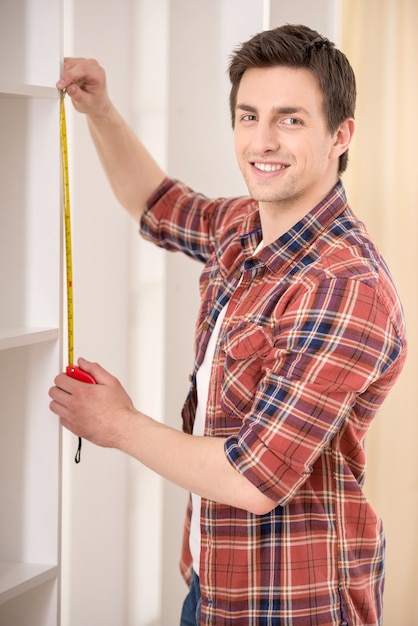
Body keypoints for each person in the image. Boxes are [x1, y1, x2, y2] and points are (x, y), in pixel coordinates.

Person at [50, 24, 407, 625]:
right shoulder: (244, 226)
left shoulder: (344, 287)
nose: (261, 141)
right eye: (248, 116)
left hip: (295, 604)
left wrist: (119, 425)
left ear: (340, 135)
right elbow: (156, 204)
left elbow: (254, 477)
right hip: (215, 584)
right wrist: (101, 111)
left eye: (290, 120)